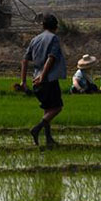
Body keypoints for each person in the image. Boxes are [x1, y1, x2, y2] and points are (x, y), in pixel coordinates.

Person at [20, 14, 67, 147]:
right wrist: (43, 76)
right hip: (48, 79)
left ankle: (48, 139)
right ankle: (37, 128)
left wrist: (23, 81)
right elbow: (51, 58)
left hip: (36, 80)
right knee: (57, 107)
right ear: (56, 27)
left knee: (47, 110)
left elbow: (24, 60)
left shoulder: (35, 39)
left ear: (43, 26)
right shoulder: (54, 38)